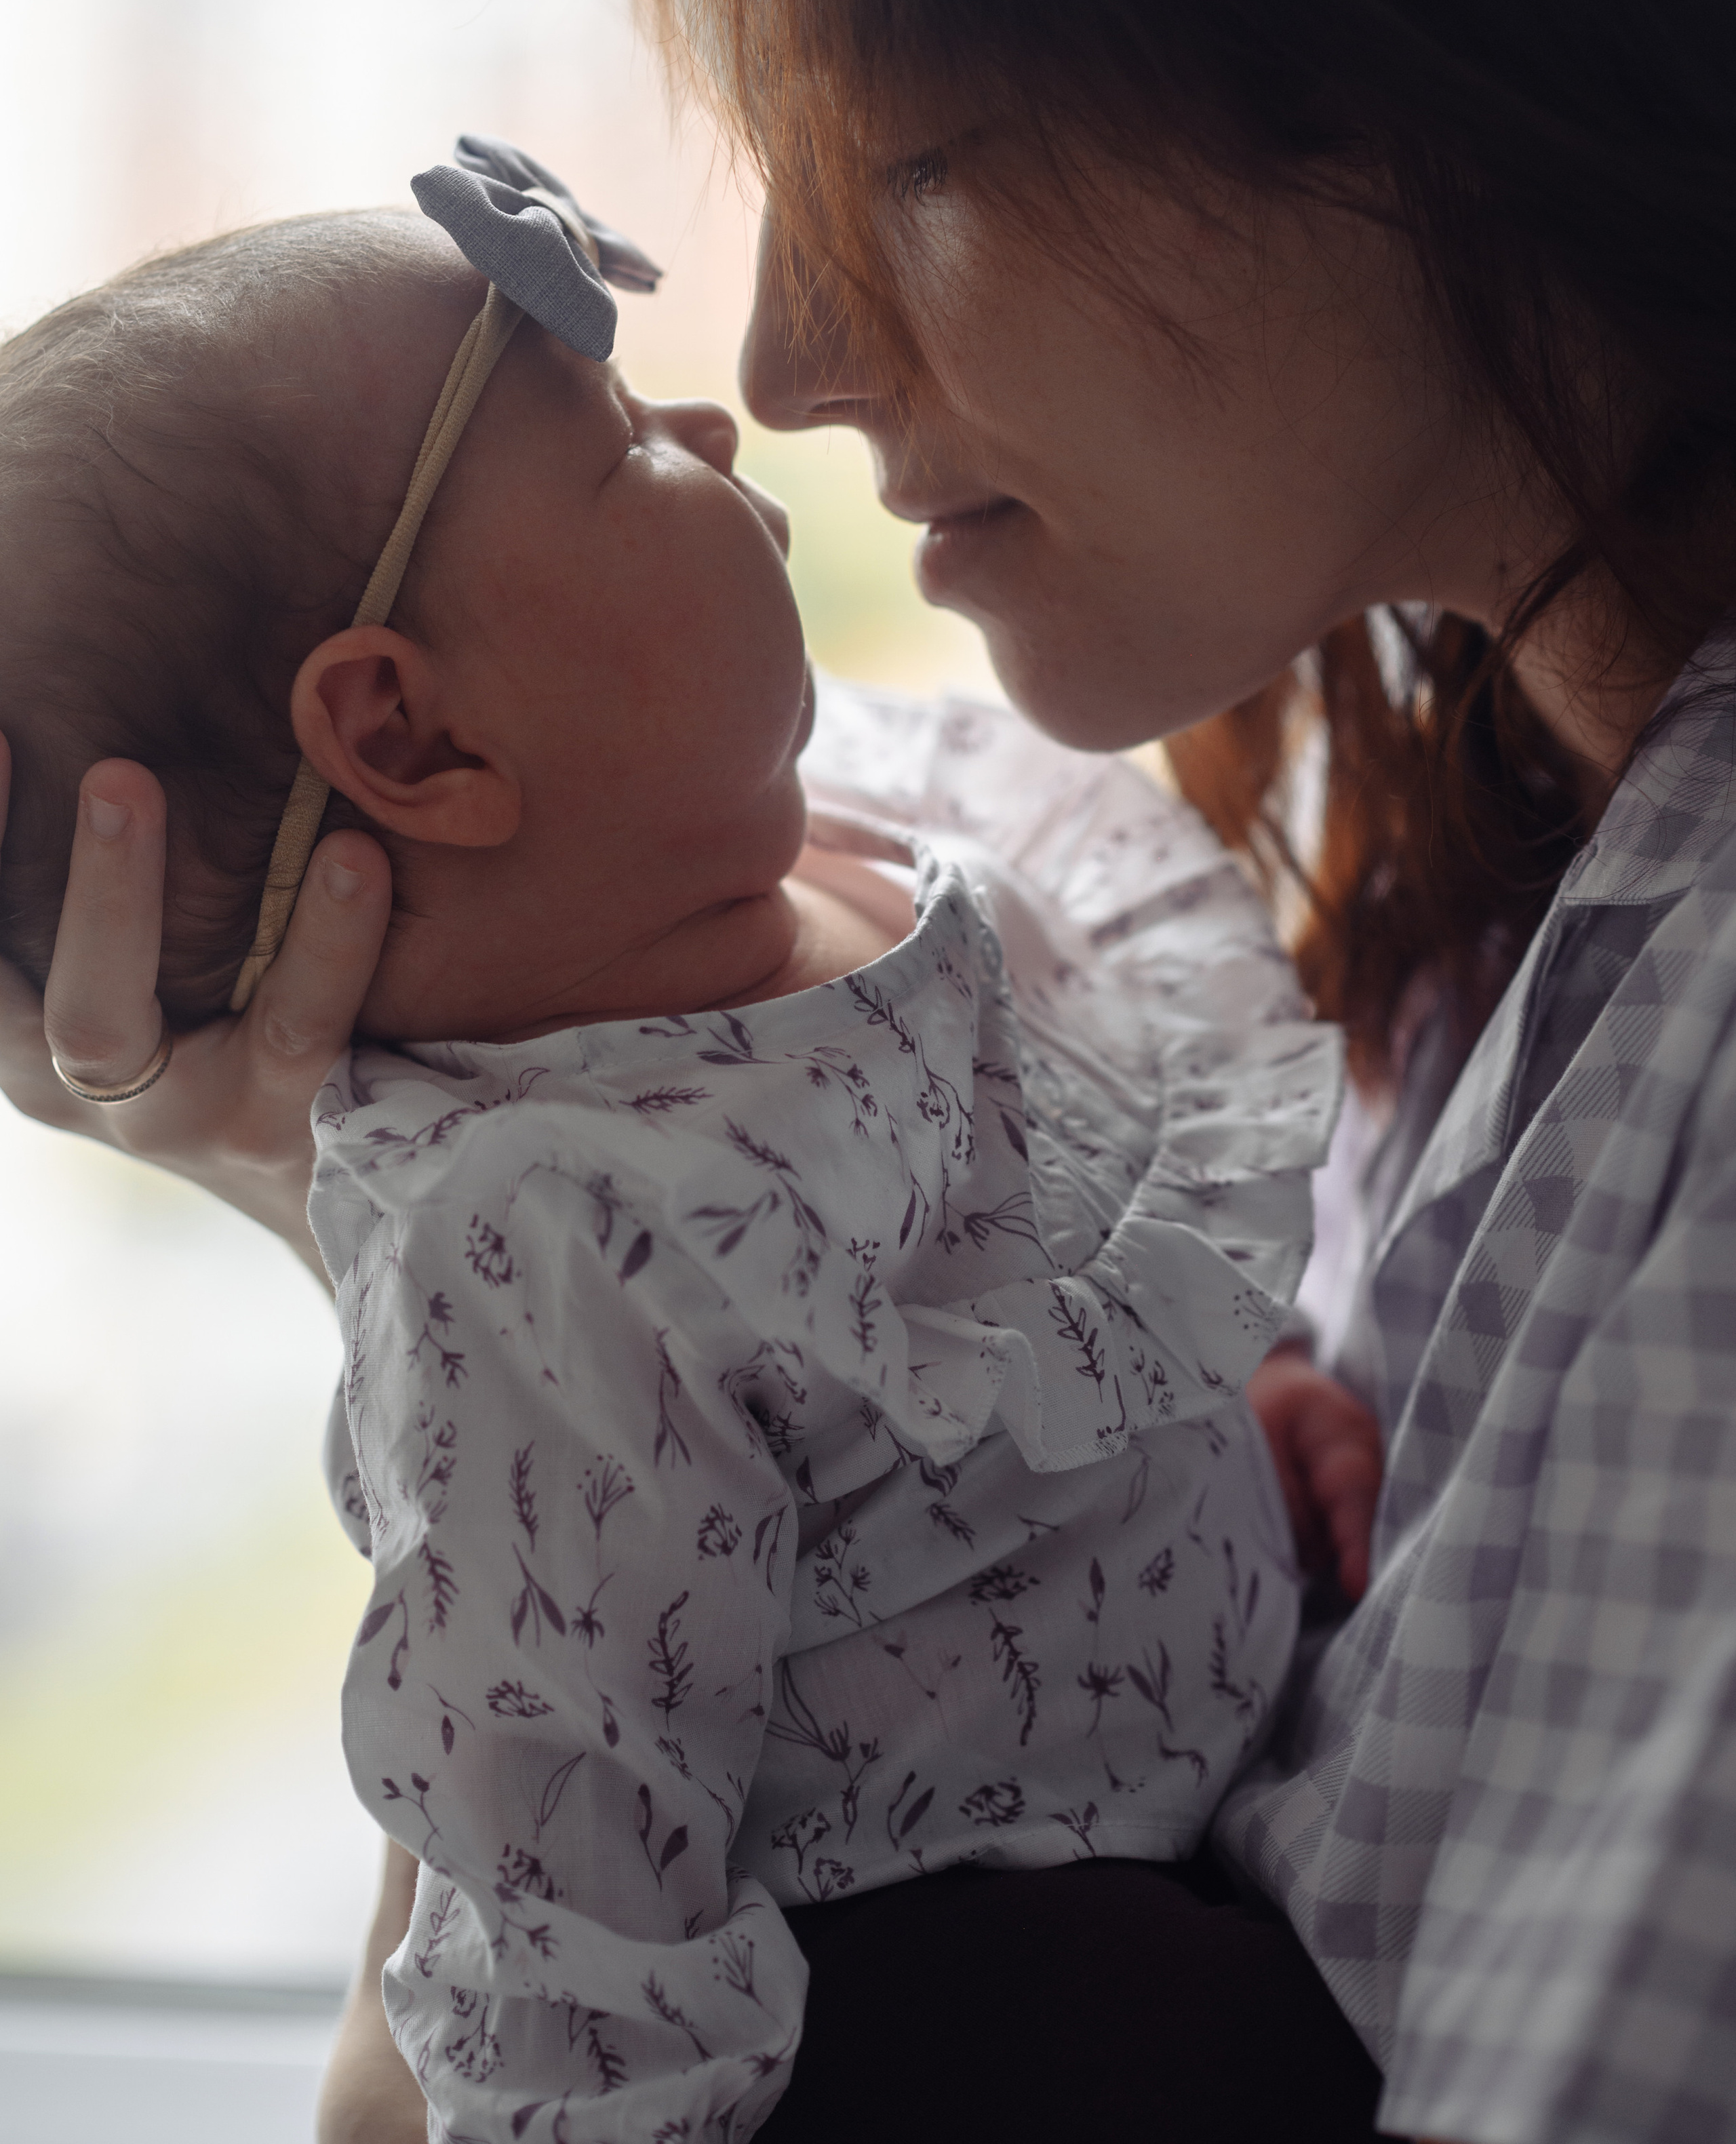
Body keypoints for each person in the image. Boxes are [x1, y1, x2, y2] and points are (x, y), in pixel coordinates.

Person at [6, 0, 1736, 2136]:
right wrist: (409, 1196)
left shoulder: (1663, 1073)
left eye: (903, 150)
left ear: (1396, 31)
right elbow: (579, 1917)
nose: (785, 364)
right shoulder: (1447, 850)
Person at [0, 138, 1370, 2139]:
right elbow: (558, 1871)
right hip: (955, 1995)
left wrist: (1219, 1396)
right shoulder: (544, 1242)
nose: (719, 417)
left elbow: (1006, 1249)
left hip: (1180, 1822)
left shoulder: (844, 843)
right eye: (625, 443)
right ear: (414, 738)